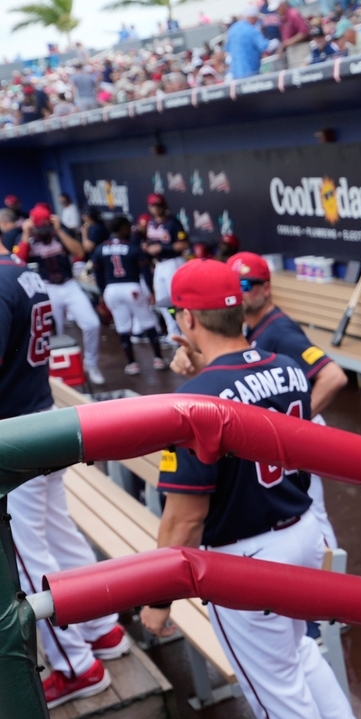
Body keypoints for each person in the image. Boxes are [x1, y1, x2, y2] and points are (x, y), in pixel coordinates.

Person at [139, 260, 355, 719]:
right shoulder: (290, 368)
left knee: (276, 696)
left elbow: (185, 517)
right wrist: (203, 376)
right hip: (301, 534)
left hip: (248, 561)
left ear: (189, 319)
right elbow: (241, 384)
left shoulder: (198, 398)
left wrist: (158, 600)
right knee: (301, 657)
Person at [1, 238, 130, 709]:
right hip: (40, 420)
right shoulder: (23, 273)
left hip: (13, 438)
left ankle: (78, 666)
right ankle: (102, 630)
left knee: (26, 555)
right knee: (60, 537)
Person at [216, 251, 348, 549]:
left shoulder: (279, 329)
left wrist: (295, 427)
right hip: (288, 432)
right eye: (234, 286)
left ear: (266, 288)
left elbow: (333, 376)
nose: (240, 293)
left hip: (301, 431)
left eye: (246, 285)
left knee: (312, 510)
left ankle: (333, 580)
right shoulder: (253, 327)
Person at [16, 204, 104, 385]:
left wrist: (58, 230)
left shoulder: (59, 232)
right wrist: (25, 234)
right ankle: (59, 372)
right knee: (56, 332)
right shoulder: (27, 238)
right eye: (39, 226)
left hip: (69, 284)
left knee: (92, 324)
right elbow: (19, 262)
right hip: (47, 287)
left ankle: (91, 364)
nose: (43, 230)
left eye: (45, 225)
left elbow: (79, 252)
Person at [89, 217, 164, 375]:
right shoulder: (133, 246)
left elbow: (97, 273)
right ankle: (158, 359)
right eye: (128, 227)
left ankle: (132, 364)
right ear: (123, 228)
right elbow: (145, 272)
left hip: (111, 289)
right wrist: (150, 291)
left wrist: (103, 292)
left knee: (122, 327)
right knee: (148, 322)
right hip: (132, 287)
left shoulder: (101, 248)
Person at [143, 193, 188, 342]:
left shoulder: (173, 222)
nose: (155, 208)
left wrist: (161, 248)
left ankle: (185, 333)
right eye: (153, 205)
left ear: (164, 206)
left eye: (158, 205)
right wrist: (148, 247)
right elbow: (151, 241)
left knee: (177, 300)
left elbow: (184, 244)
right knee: (162, 301)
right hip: (159, 265)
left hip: (173, 262)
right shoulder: (150, 223)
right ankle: (173, 333)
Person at [226, 6, 270, 80]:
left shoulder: (232, 29)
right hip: (251, 72)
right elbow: (264, 46)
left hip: (236, 73)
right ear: (253, 18)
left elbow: (228, 49)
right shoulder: (252, 30)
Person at [277, 0, 312, 69]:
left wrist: (287, 43)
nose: (276, 10)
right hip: (292, 52)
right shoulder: (283, 18)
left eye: (277, 8)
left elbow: (304, 32)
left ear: (283, 5)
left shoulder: (293, 14)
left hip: (301, 49)